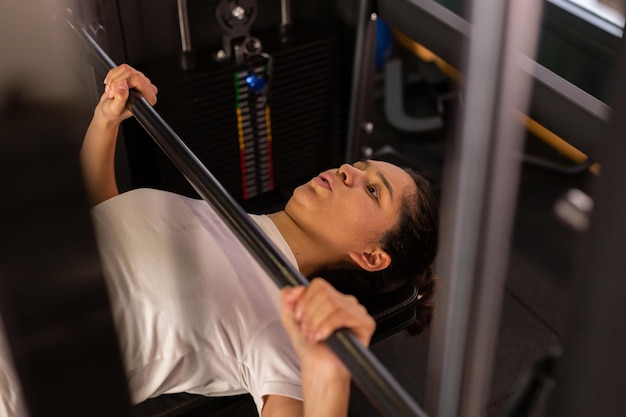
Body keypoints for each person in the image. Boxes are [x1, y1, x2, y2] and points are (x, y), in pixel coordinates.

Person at [0, 63, 439, 417]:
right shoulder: (227, 218)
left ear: (371, 256)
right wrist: (106, 119)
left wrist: (328, 373)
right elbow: (105, 219)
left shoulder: (280, 320)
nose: (351, 170)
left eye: (372, 189)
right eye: (362, 165)